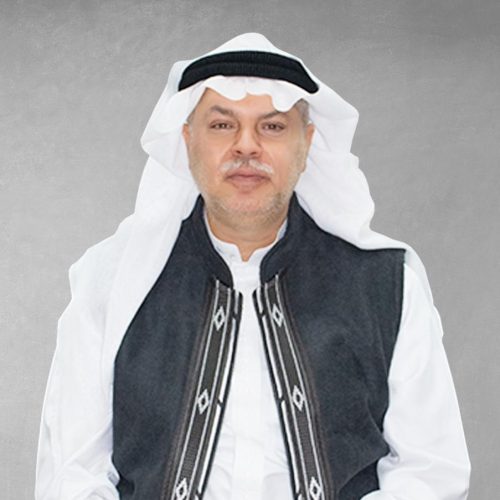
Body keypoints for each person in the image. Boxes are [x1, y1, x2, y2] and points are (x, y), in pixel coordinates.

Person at [35, 33, 471, 500]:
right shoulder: (110, 281)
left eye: (273, 127)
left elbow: (431, 472)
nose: (247, 146)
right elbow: (73, 476)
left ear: (306, 143)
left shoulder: (385, 284)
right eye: (222, 125)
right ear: (188, 139)